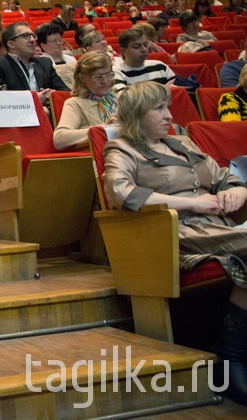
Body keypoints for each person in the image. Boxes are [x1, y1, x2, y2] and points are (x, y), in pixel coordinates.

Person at [102, 81, 247, 404]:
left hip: (219, 227)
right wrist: (191, 204)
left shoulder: (182, 142)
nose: (169, 115)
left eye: (168, 107)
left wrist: (238, 190)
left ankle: (231, 354)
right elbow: (121, 193)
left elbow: (224, 176)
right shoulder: (122, 149)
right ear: (137, 114)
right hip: (174, 232)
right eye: (159, 109)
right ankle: (230, 356)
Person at [0, 22, 70, 106]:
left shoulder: (45, 63)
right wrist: (34, 99)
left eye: (33, 36)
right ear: (11, 44)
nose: (32, 40)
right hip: (18, 117)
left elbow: (65, 92)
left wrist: (52, 94)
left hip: (49, 115)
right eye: (26, 36)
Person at [53, 52, 119, 150]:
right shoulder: (75, 103)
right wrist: (103, 129)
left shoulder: (119, 99)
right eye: (98, 77)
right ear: (82, 78)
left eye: (109, 75)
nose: (105, 81)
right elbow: (59, 139)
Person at [112, 28, 175, 93]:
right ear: (124, 51)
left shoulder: (160, 66)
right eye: (137, 47)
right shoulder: (116, 72)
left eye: (145, 45)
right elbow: (126, 100)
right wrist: (164, 90)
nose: (144, 49)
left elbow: (180, 89)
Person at [35, 22, 76, 89]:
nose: (59, 43)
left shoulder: (72, 59)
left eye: (60, 40)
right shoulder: (41, 64)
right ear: (43, 46)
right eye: (54, 41)